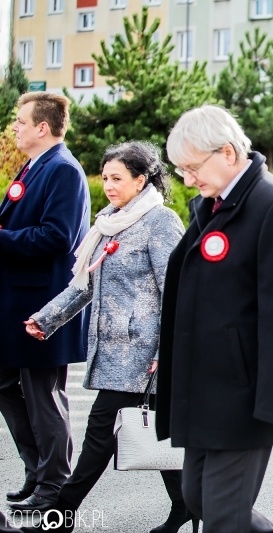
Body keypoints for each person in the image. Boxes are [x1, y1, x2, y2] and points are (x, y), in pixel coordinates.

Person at [156, 105, 273, 532]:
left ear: (227, 153)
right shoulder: (212, 203)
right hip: (208, 390)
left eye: (192, 167)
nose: (187, 179)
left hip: (247, 396)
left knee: (223, 516)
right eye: (182, 170)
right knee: (197, 498)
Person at [20, 142, 189, 533]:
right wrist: (46, 319)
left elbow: (178, 290)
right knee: (154, 431)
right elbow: (86, 284)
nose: (108, 185)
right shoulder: (109, 221)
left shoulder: (160, 222)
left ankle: (59, 516)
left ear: (141, 180)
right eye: (106, 177)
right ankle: (189, 506)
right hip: (112, 349)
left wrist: (167, 350)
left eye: (117, 178)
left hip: (143, 353)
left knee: (99, 434)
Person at [0, 92, 90, 512]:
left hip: (42, 306)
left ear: (42, 126)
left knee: (43, 395)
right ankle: (37, 472)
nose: (14, 128)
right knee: (6, 386)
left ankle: (53, 486)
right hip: (17, 301)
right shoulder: (35, 165)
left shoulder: (63, 169)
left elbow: (57, 236)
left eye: (20, 121)